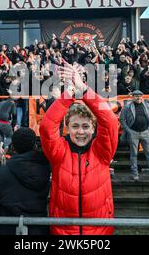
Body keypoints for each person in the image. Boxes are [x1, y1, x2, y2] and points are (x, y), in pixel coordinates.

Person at [39, 63, 118, 235]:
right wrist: (69, 94)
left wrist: (83, 89)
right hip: (64, 231)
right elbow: (46, 127)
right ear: (67, 126)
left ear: (93, 128)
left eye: (85, 126)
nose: (80, 132)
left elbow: (110, 121)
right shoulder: (59, 151)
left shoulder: (102, 151)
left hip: (99, 231)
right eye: (75, 126)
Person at [0, 127, 51, 235]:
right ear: (35, 146)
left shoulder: (5, 171)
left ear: (14, 148)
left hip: (8, 229)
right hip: (38, 229)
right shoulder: (46, 168)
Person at [120, 90, 149, 181]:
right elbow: (122, 119)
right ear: (133, 97)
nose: (138, 98)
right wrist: (129, 131)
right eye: (136, 96)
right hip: (133, 133)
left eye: (140, 96)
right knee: (134, 154)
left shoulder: (146, 106)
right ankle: (135, 174)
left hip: (145, 133)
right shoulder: (127, 107)